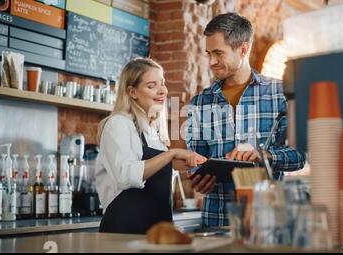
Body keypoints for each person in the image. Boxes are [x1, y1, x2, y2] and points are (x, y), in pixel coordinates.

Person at [185, 13, 306, 227]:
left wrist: (263, 156)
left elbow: (298, 156)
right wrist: (198, 176)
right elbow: (196, 158)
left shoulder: (279, 94)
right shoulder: (200, 102)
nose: (211, 62)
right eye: (208, 54)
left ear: (243, 49)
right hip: (216, 223)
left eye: (218, 54)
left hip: (267, 223)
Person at [96, 58, 206, 234]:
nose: (162, 90)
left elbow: (157, 177)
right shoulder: (119, 124)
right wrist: (172, 154)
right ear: (132, 92)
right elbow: (126, 175)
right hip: (125, 230)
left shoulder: (152, 130)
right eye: (151, 85)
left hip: (156, 230)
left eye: (162, 83)